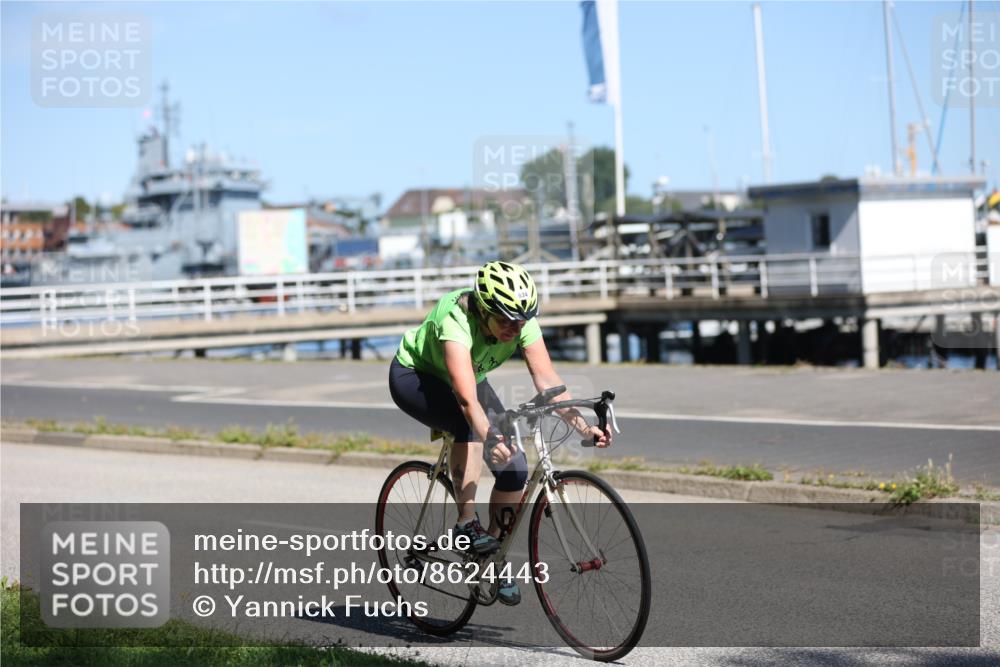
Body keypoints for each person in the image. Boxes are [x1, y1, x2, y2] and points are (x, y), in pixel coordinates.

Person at [389, 261, 611, 605]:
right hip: (417, 377)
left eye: (520, 321)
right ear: (483, 308)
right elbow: (465, 399)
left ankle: (489, 561)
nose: (514, 328)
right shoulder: (456, 320)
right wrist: (490, 436)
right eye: (505, 320)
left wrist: (585, 425)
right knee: (468, 426)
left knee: (515, 471)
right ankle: (465, 524)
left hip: (470, 378)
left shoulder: (521, 320)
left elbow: (548, 380)